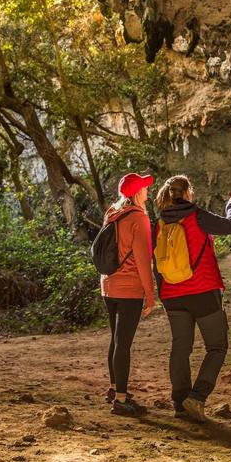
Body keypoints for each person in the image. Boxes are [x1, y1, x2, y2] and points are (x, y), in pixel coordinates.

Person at [154, 175, 231, 422]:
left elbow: (156, 263)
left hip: (172, 294)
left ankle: (180, 404)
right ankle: (197, 397)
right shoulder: (197, 216)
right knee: (217, 346)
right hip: (203, 292)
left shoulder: (158, 223)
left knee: (180, 348)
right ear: (188, 193)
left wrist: (163, 294)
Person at [100, 172, 156, 417]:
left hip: (108, 285)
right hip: (129, 288)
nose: (147, 192)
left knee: (116, 338)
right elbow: (144, 261)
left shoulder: (112, 212)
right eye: (144, 188)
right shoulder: (139, 218)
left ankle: (114, 389)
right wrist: (151, 295)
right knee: (124, 343)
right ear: (137, 193)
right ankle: (121, 400)